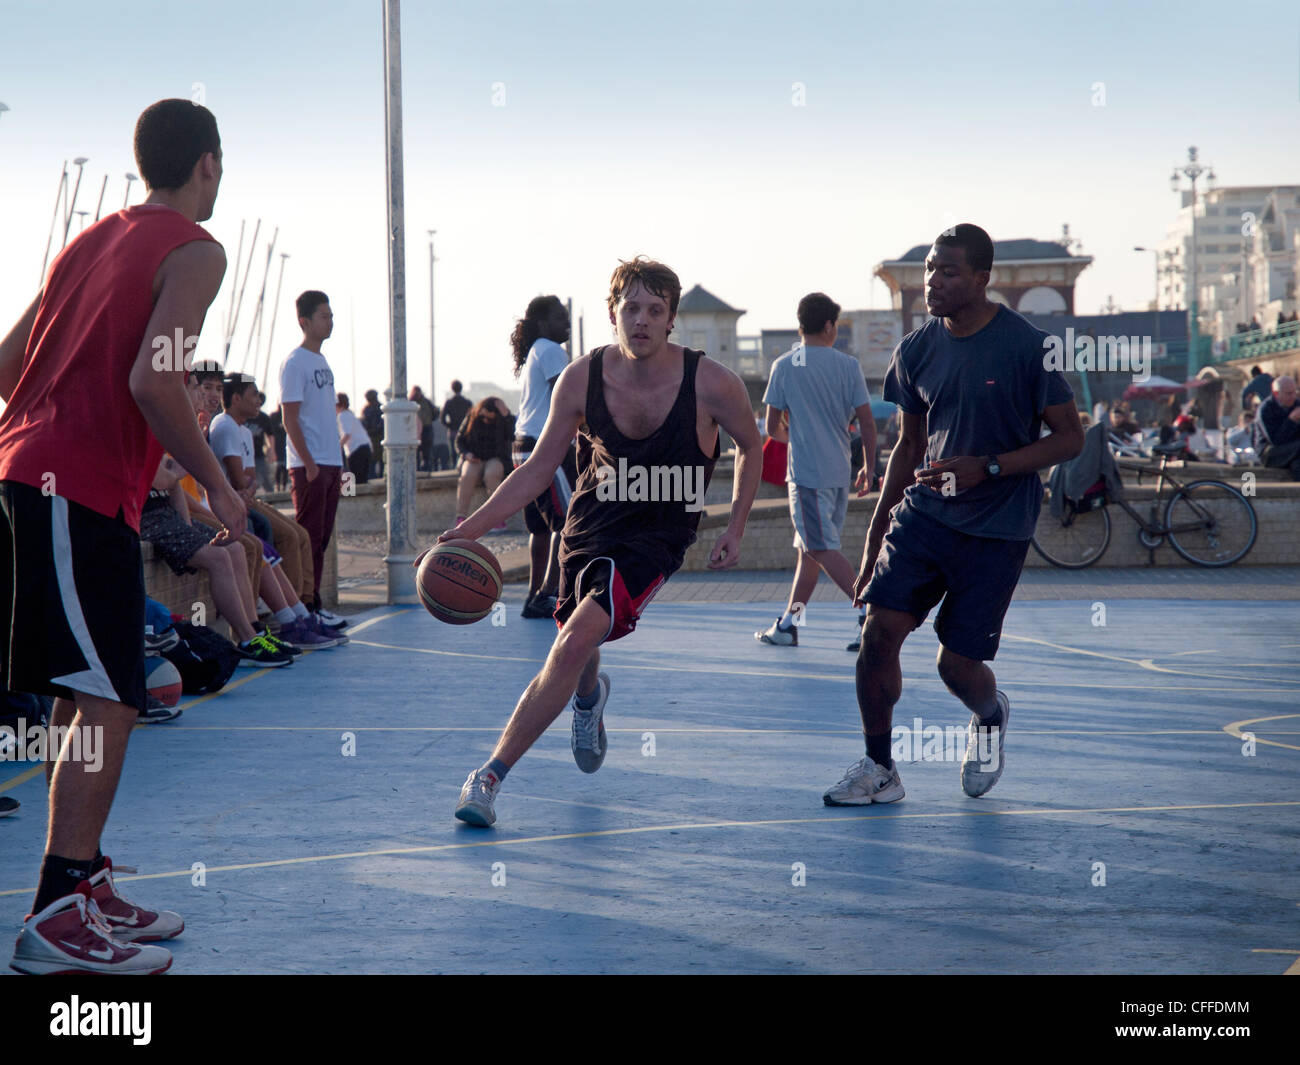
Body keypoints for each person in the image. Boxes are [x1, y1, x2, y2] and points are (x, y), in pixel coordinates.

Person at [0, 99, 247, 974]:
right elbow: (155, 376)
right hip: (76, 487)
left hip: (33, 480)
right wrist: (218, 482)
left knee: (82, 693)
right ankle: (54, 917)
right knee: (112, 696)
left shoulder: (88, 240)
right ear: (207, 167)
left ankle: (82, 881)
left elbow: (6, 363)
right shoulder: (196, 249)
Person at [441, 256, 762, 827]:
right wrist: (470, 526)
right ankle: (588, 699)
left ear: (671, 321)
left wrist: (735, 526)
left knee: (571, 641)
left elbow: (752, 447)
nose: (641, 320)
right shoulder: (582, 378)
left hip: (658, 535)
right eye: (630, 308)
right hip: (588, 527)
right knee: (577, 634)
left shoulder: (712, 383)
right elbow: (539, 468)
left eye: (654, 310)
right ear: (613, 314)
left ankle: (488, 777)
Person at [829, 224, 1083, 808]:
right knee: (879, 634)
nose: (933, 282)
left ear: (980, 279)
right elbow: (908, 447)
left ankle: (990, 715)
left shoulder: (1027, 347)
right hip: (926, 516)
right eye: (929, 270)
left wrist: (987, 467)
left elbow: (1070, 438)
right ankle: (880, 768)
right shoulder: (916, 350)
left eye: (947, 271)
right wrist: (873, 542)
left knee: (956, 668)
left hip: (997, 527)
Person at [754, 292, 875, 652]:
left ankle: (870, 613)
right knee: (808, 552)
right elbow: (867, 423)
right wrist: (869, 466)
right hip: (839, 473)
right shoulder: (848, 365)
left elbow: (771, 427)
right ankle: (790, 624)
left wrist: (797, 435)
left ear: (800, 325)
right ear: (828, 326)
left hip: (806, 476)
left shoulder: (785, 365)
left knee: (819, 548)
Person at [210, 373, 343, 648]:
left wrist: (246, 489)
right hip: (233, 502)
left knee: (298, 535)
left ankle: (303, 610)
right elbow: (238, 479)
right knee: (270, 537)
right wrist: (245, 489)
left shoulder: (243, 430)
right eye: (253, 395)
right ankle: (283, 618)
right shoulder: (223, 426)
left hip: (244, 498)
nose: (259, 400)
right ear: (236, 398)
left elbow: (249, 478)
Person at [279, 290, 348, 627]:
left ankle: (314, 603)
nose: (330, 321)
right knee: (307, 537)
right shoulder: (295, 363)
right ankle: (305, 606)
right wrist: (308, 463)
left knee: (322, 538)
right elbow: (289, 418)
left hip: (331, 462)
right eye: (324, 316)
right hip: (310, 465)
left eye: (331, 315)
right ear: (304, 321)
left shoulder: (322, 363)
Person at [510, 294, 577, 618]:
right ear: (543, 323)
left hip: (522, 446)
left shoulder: (535, 350)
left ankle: (533, 595)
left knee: (540, 528)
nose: (566, 322)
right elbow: (570, 397)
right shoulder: (552, 351)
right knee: (567, 522)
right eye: (561, 317)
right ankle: (546, 594)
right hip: (544, 447)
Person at [454, 397, 514, 528]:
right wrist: (466, 454)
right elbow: (459, 440)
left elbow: (514, 435)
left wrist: (507, 416)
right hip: (474, 457)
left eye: (490, 418)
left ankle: (497, 517)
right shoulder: (472, 417)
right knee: (467, 476)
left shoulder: (504, 419)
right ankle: (461, 516)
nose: (486, 420)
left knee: (492, 475)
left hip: (496, 458)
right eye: (484, 417)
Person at [1253, 375, 1300, 480]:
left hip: (1293, 449)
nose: (1293, 396)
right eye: (1289, 393)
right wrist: (1291, 420)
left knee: (1297, 464)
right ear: (1276, 393)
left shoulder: (1296, 404)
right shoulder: (1265, 409)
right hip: (1269, 453)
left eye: (1295, 392)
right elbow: (1276, 440)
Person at [336, 392, 372, 486]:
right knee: (363, 481)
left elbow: (347, 434)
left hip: (356, 450)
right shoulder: (350, 414)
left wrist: (337, 447)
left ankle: (352, 499)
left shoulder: (342, 416)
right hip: (365, 447)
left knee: (354, 484)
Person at [441, 380, 472, 466]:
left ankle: (455, 468)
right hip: (466, 431)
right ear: (461, 388)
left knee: (454, 453)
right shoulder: (467, 402)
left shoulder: (449, 402)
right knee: (464, 451)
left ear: (452, 389)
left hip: (453, 431)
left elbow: (442, 418)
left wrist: (449, 425)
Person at [410, 385, 435, 471]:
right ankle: (417, 470)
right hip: (414, 430)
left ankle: (425, 470)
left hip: (426, 429)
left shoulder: (426, 402)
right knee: (415, 453)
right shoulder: (410, 403)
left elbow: (435, 413)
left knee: (426, 454)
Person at [361, 389, 384, 478]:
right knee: (373, 459)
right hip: (372, 437)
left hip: (378, 436)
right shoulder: (367, 409)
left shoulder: (378, 408)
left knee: (378, 459)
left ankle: (377, 476)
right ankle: (375, 476)